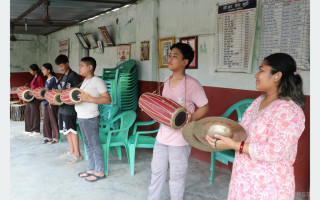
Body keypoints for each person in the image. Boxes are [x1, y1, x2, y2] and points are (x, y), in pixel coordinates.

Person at [205, 53, 306, 200]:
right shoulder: (259, 101)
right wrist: (223, 134)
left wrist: (235, 145)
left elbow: (275, 151)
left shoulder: (289, 111)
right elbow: (242, 130)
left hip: (268, 186)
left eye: (261, 70)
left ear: (276, 76)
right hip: (243, 180)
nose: (256, 75)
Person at [148, 42, 210, 200]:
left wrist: (192, 117)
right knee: (157, 173)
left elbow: (205, 106)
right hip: (162, 137)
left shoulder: (193, 85)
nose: (169, 59)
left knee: (176, 177)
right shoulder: (167, 80)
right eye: (170, 55)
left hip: (181, 140)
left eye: (175, 56)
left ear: (185, 62)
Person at [75, 57, 111, 182]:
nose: (79, 68)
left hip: (91, 117)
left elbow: (107, 99)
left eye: (81, 65)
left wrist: (90, 99)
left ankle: (100, 171)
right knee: (88, 145)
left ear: (90, 67)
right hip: (82, 117)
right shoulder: (85, 81)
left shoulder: (97, 81)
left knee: (94, 145)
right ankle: (91, 168)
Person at [55, 54, 83, 164]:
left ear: (67, 63)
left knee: (72, 130)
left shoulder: (73, 75)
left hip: (70, 108)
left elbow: (77, 93)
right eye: (59, 67)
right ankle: (71, 150)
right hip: (62, 107)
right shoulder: (63, 76)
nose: (60, 68)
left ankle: (78, 154)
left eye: (62, 66)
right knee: (67, 130)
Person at [41, 63, 60, 144]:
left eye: (44, 69)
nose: (42, 71)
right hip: (46, 102)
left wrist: (51, 94)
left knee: (53, 119)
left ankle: (55, 137)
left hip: (52, 102)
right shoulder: (47, 80)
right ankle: (48, 137)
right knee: (46, 120)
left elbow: (59, 90)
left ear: (49, 70)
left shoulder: (54, 79)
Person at [24, 64, 44, 136]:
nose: (30, 71)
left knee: (34, 113)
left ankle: (36, 130)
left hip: (35, 98)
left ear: (35, 71)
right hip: (31, 98)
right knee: (27, 112)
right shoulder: (34, 78)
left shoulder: (39, 78)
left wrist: (34, 92)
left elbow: (41, 89)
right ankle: (28, 128)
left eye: (31, 70)